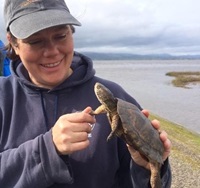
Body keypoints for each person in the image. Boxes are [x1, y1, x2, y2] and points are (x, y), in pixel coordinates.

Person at [1, 0, 171, 187]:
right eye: (35, 41)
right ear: (13, 43)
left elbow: (150, 180)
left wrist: (147, 168)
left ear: (71, 33)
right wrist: (47, 149)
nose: (52, 51)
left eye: (60, 36)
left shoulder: (117, 97)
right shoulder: (3, 97)